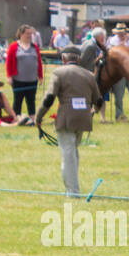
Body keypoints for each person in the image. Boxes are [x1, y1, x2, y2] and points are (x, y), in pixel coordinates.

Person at [36, 46, 102, 195]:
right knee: (73, 153)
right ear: (78, 59)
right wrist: (93, 112)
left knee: (68, 155)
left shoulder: (58, 73)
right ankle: (72, 189)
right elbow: (98, 100)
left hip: (66, 119)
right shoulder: (89, 75)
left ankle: (73, 192)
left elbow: (49, 98)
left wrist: (39, 116)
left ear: (63, 58)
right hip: (83, 119)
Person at [5, 24, 43, 119]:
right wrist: (9, 76)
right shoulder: (14, 46)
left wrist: (40, 76)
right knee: (18, 100)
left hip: (32, 79)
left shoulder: (35, 47)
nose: (30, 35)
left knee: (31, 100)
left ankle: (32, 118)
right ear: (21, 34)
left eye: (31, 33)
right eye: (27, 33)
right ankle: (16, 118)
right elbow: (9, 62)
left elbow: (38, 62)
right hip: (18, 79)